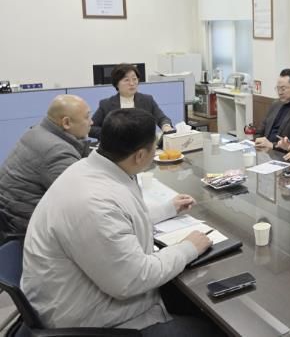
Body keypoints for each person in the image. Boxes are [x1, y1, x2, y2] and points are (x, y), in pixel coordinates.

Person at [22, 109, 218, 335]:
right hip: (94, 323)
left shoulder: (89, 169)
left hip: (89, 293)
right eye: (154, 147)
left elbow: (120, 218)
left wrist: (167, 209)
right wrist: (188, 248)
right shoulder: (94, 204)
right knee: (211, 325)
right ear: (140, 156)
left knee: (191, 297)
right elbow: (133, 279)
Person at [0, 95, 92, 237]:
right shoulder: (58, 151)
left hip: (9, 214)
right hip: (24, 226)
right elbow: (82, 201)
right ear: (66, 123)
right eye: (87, 117)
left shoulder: (36, 131)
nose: (91, 122)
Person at [89, 63, 173, 139]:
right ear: (117, 83)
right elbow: (90, 128)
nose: (132, 83)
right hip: (116, 147)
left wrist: (166, 126)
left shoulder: (147, 100)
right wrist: (111, 135)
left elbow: (162, 118)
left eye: (134, 79)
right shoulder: (106, 104)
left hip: (143, 145)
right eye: (126, 80)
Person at [254, 68, 290, 152]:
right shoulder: (275, 104)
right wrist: (258, 141)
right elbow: (260, 130)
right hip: (264, 152)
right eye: (278, 88)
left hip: (285, 155)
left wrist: (272, 146)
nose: (280, 92)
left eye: (283, 89)